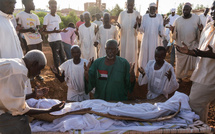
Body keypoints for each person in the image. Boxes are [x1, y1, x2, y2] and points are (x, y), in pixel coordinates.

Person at [0, 50, 65, 134]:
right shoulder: (19, 72)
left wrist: (32, 95)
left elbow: (7, 98)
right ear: (34, 64)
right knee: (19, 122)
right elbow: (19, 110)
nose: (38, 73)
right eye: (39, 69)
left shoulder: (16, 64)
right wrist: (49, 110)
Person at [176, 1, 215, 123]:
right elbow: (202, 50)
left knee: (194, 103)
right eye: (212, 9)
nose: (212, 12)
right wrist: (190, 52)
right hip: (202, 74)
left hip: (210, 77)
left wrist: (205, 54)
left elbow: (207, 53)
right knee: (199, 107)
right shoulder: (209, 26)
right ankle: (202, 128)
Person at [171, 2, 202, 82]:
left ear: (190, 10)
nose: (185, 11)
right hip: (180, 46)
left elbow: (200, 30)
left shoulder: (196, 18)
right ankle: (179, 77)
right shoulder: (178, 20)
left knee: (194, 63)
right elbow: (174, 34)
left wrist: (200, 30)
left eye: (187, 10)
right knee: (179, 64)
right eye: (183, 10)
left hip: (192, 45)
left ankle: (193, 77)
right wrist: (172, 31)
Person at [16, 0, 44, 81]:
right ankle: (30, 76)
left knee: (40, 58)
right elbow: (19, 29)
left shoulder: (35, 16)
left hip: (38, 39)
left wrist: (38, 29)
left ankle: (38, 75)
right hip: (29, 40)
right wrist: (28, 30)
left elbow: (37, 28)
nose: (34, 5)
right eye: (32, 3)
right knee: (32, 59)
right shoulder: (20, 15)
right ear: (26, 4)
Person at [137, 3, 166, 69]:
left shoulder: (159, 17)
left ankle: (154, 70)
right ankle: (144, 70)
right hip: (146, 40)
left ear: (156, 9)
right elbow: (141, 30)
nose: (152, 10)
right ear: (148, 9)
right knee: (145, 55)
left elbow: (161, 30)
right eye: (151, 9)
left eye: (154, 9)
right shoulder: (145, 17)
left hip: (155, 40)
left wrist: (164, 24)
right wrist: (139, 23)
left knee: (154, 54)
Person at [43, 0, 67, 73]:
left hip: (59, 39)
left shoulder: (57, 17)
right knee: (56, 57)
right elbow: (43, 32)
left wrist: (62, 30)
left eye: (55, 7)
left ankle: (64, 71)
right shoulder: (47, 17)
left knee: (63, 56)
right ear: (49, 7)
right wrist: (54, 31)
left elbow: (57, 29)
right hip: (52, 41)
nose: (54, 8)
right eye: (52, 7)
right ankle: (57, 71)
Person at [117, 0, 140, 73]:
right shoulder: (122, 14)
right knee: (123, 55)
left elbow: (139, 28)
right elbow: (118, 27)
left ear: (134, 4)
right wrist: (119, 27)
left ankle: (132, 72)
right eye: (128, 4)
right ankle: (123, 71)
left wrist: (137, 25)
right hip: (124, 39)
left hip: (133, 39)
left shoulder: (137, 13)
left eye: (132, 5)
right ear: (126, 4)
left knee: (132, 55)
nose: (130, 6)